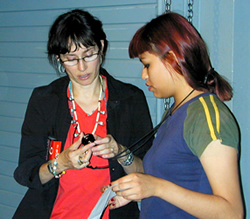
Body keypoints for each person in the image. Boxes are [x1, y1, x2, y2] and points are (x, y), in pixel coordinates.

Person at [13, 9, 153, 219]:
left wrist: (120, 151)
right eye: (71, 58)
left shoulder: (130, 99)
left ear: (102, 47)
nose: (81, 67)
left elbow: (148, 172)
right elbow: (26, 173)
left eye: (89, 55)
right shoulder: (44, 100)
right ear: (59, 59)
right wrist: (61, 163)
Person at [105, 12, 244, 218]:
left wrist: (157, 188)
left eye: (147, 64)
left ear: (171, 59)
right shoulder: (177, 111)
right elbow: (161, 176)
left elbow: (231, 212)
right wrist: (122, 156)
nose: (143, 75)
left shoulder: (206, 116)